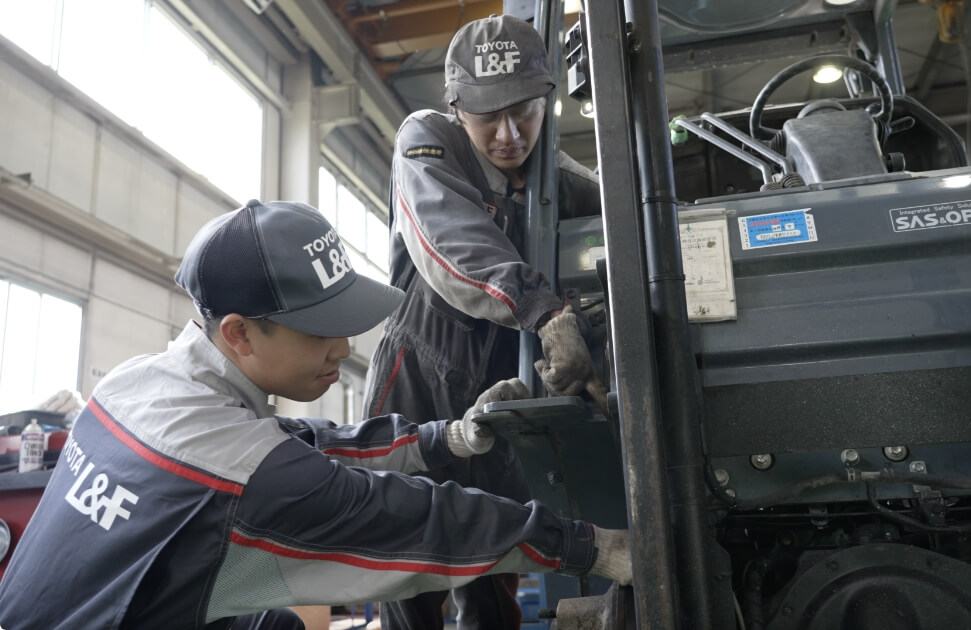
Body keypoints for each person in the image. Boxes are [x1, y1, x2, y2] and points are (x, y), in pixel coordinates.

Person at [0, 200, 631, 630]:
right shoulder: (236, 474)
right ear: (240, 332)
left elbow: (309, 444)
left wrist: (452, 440)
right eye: (320, 331)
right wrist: (585, 546)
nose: (345, 349)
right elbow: (417, 522)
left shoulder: (137, 384)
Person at [362, 13, 605, 630]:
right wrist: (543, 311)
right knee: (407, 551)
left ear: (547, 100)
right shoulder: (426, 139)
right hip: (419, 365)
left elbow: (619, 227)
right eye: (486, 116)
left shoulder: (559, 178)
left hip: (503, 383)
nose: (507, 134)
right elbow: (450, 240)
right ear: (454, 107)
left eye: (523, 112)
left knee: (496, 550)